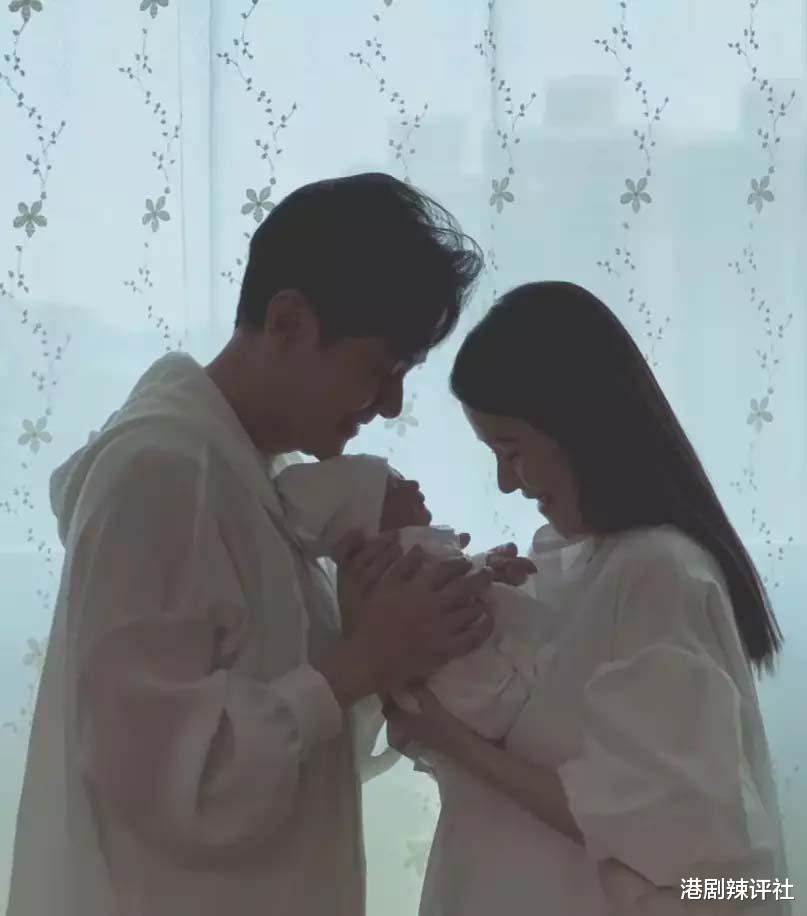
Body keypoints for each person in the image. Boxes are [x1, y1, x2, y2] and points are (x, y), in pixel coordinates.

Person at [5, 173, 533, 916]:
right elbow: (156, 780)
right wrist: (361, 659)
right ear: (288, 322)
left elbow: (299, 763)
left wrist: (400, 625)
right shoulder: (160, 474)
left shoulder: (247, 480)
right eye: (377, 370)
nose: (390, 405)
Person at [386, 281, 790, 915]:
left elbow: (666, 835)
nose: (506, 483)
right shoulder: (565, 558)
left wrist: (450, 740)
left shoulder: (658, 572)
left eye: (511, 451)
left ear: (575, 427)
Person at [273, 453, 542, 741]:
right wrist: (486, 567)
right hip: (473, 684)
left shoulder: (393, 562)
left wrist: (487, 564)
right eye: (394, 484)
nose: (412, 484)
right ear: (369, 517)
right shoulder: (401, 555)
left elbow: (454, 574)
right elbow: (452, 578)